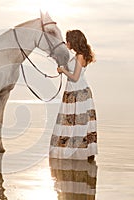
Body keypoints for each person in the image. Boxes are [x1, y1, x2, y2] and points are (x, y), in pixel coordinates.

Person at [49, 30, 97, 161]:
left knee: (75, 123)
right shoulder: (78, 55)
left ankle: (74, 153)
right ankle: (79, 154)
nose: (67, 42)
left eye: (68, 40)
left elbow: (75, 77)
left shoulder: (80, 56)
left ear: (73, 41)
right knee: (75, 123)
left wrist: (63, 70)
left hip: (77, 92)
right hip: (77, 91)